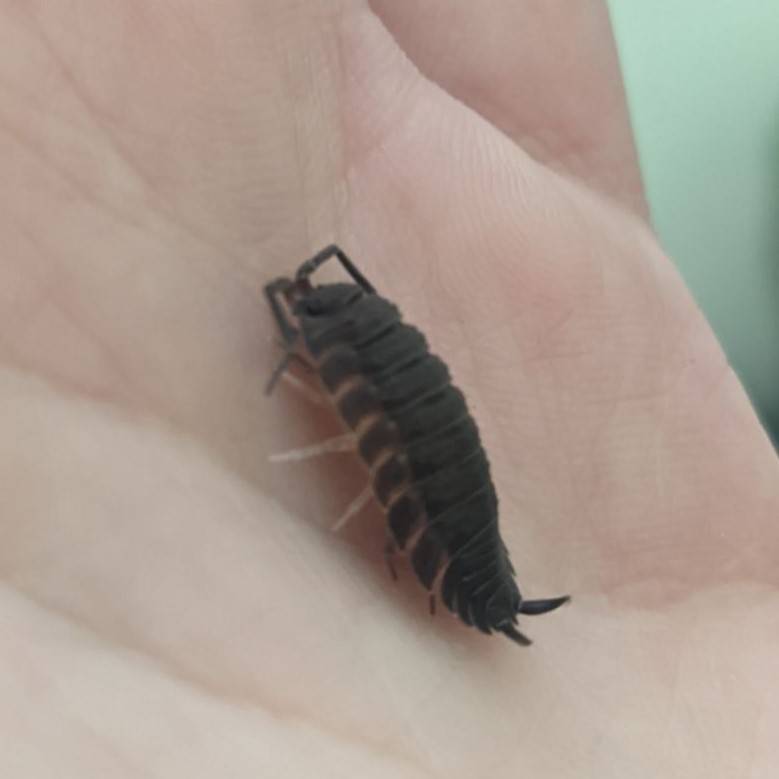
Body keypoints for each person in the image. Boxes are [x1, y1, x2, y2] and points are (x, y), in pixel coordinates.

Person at [2, 2, 776, 775]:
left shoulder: (356, 360)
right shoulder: (365, 342)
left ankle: (485, 588)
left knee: (429, 465)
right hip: (445, 485)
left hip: (454, 517)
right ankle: (485, 586)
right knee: (426, 452)